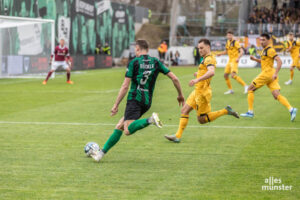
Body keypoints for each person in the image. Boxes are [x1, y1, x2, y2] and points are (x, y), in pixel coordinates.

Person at [89, 40, 185, 161]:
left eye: (135, 49)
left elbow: (125, 86)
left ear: (138, 49)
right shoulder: (156, 62)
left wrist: (116, 104)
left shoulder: (134, 62)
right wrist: (180, 94)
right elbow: (175, 78)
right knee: (120, 126)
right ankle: (100, 154)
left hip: (134, 99)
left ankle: (150, 120)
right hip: (147, 102)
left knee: (127, 130)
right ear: (148, 50)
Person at [165, 39, 240, 143]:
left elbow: (211, 72)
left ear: (208, 47)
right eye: (198, 48)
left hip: (202, 93)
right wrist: (198, 74)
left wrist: (197, 79)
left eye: (201, 48)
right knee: (184, 110)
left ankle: (225, 111)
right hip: (197, 90)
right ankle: (177, 136)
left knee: (201, 120)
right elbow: (206, 71)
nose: (199, 50)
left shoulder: (209, 59)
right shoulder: (206, 58)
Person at [241, 33, 297, 121]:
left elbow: (279, 61)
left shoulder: (270, 50)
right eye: (260, 40)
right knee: (276, 95)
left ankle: (250, 112)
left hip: (267, 74)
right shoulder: (264, 50)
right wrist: (255, 59)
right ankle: (291, 109)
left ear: (268, 40)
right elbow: (264, 62)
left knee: (250, 89)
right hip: (270, 75)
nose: (261, 41)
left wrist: (276, 73)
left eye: (263, 40)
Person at [217, 30, 248, 95]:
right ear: (226, 36)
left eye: (230, 35)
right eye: (228, 35)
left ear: (232, 35)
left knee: (233, 75)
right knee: (225, 75)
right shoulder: (227, 42)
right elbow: (226, 51)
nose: (229, 36)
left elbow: (241, 51)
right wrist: (220, 54)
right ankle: (230, 90)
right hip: (230, 60)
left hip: (234, 60)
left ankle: (246, 86)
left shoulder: (235, 42)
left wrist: (238, 58)